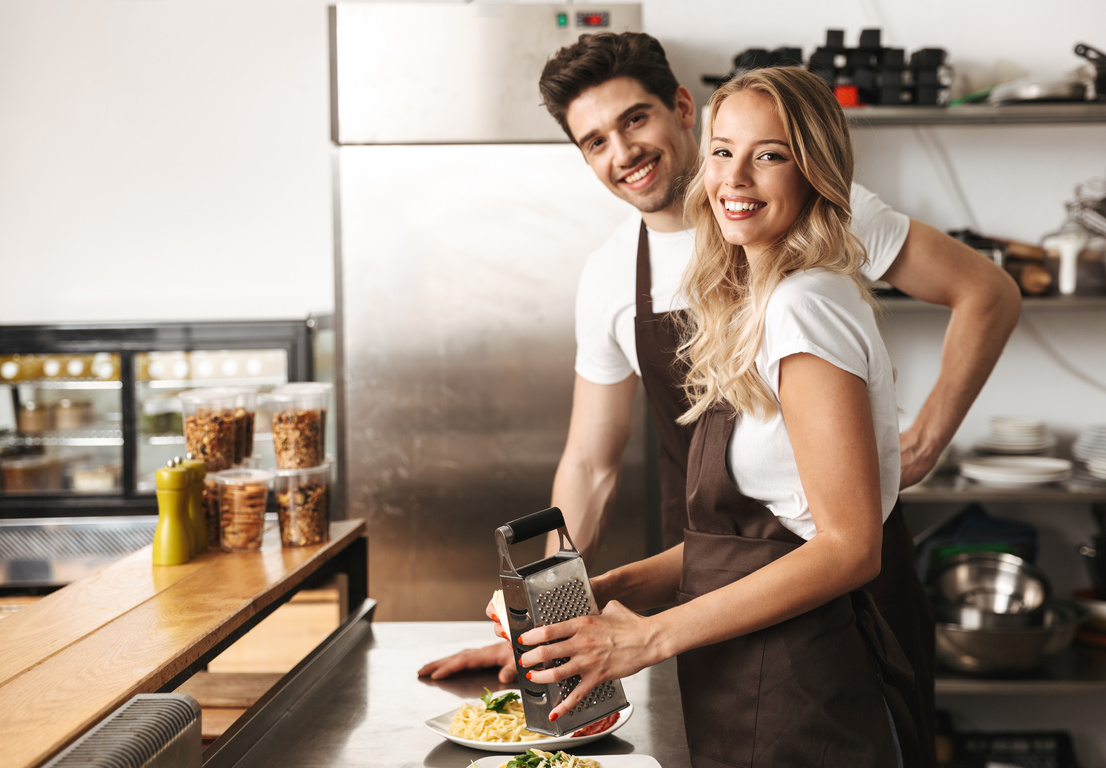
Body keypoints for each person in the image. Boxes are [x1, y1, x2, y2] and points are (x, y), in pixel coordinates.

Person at [419, 32, 1020, 764]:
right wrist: (551, 616)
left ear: (682, 109)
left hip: (825, 587)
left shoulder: (800, 256)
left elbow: (984, 292)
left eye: (634, 121)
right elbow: (589, 463)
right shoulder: (633, 273)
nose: (623, 153)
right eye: (595, 141)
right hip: (711, 565)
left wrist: (921, 442)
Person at [519, 65, 918, 766]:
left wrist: (650, 635)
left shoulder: (802, 308)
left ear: (816, 169)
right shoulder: (761, 300)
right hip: (755, 670)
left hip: (805, 681)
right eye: (724, 151)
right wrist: (613, 588)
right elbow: (768, 532)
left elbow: (848, 547)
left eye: (770, 155)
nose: (735, 179)